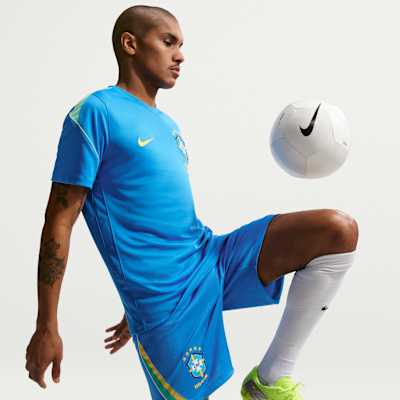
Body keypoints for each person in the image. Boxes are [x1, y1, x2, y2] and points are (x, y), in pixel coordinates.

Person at [25, 5, 358, 400]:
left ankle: (269, 381)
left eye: (181, 45)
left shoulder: (167, 125)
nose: (180, 55)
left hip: (211, 259)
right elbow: (59, 221)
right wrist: (47, 325)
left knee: (337, 231)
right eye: (168, 42)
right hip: (163, 302)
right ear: (130, 44)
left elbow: (151, 215)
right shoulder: (95, 113)